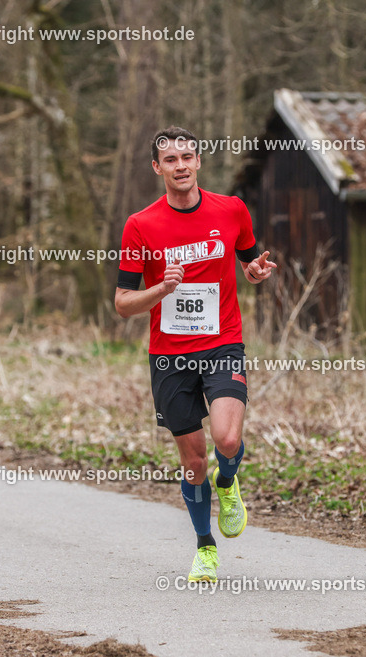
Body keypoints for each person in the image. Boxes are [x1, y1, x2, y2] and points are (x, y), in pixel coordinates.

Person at [115, 127, 276, 581]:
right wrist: (160, 290)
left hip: (222, 342)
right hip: (169, 356)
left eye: (188, 156)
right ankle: (205, 547)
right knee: (193, 462)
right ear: (157, 168)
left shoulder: (231, 209)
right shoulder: (140, 225)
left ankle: (229, 483)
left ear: (199, 162)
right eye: (170, 159)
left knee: (227, 440)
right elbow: (123, 303)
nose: (180, 165)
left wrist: (256, 272)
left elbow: (248, 260)